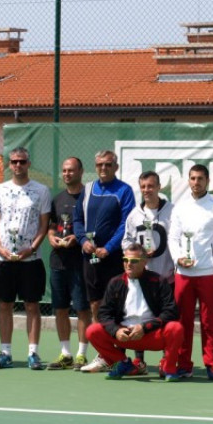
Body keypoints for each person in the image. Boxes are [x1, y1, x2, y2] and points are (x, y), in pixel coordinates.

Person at [0, 147, 51, 370]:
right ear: (9, 164)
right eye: (14, 161)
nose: (18, 165)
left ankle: (33, 353)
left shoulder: (41, 191)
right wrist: (0, 248)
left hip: (30, 261)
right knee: (5, 305)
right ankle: (5, 353)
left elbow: (44, 226)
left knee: (32, 306)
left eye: (22, 162)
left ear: (28, 164)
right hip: (3, 260)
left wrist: (31, 249)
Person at [84, 244, 184, 381]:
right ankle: (123, 364)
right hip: (124, 336)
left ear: (144, 262)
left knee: (175, 328)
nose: (128, 264)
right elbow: (104, 313)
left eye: (134, 261)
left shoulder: (159, 281)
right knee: (92, 331)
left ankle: (169, 368)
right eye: (125, 260)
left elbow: (171, 311)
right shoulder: (115, 282)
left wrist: (145, 328)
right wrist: (116, 331)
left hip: (151, 335)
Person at [74, 150, 135, 372]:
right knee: (95, 305)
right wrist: (82, 240)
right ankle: (104, 355)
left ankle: (117, 355)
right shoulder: (88, 189)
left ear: (115, 167)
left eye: (108, 165)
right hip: (89, 257)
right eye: (99, 165)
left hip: (113, 258)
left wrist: (108, 248)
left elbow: (125, 224)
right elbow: (77, 219)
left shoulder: (124, 190)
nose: (103, 168)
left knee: (116, 307)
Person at [168, 164, 213, 380]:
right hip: (183, 275)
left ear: (208, 181)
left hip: (209, 273)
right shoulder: (180, 208)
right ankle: (184, 364)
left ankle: (212, 365)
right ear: (188, 181)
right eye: (193, 178)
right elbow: (173, 238)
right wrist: (179, 258)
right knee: (182, 322)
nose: (196, 182)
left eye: (200, 179)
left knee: (209, 322)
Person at [121, 170, 175, 375]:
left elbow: (178, 239)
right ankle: (139, 362)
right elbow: (126, 241)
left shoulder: (172, 211)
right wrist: (138, 252)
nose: (147, 190)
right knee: (138, 318)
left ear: (159, 187)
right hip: (142, 278)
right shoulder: (135, 214)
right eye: (143, 187)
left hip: (166, 276)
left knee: (165, 319)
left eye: (151, 186)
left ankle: (166, 361)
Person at [46, 157, 90, 371]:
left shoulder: (89, 197)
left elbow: (93, 229)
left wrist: (78, 239)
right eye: (64, 171)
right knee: (60, 309)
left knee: (82, 308)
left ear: (81, 171)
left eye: (71, 170)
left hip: (80, 262)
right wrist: (52, 237)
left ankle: (82, 354)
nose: (67, 174)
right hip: (58, 262)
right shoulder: (57, 199)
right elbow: (52, 226)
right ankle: (66, 353)